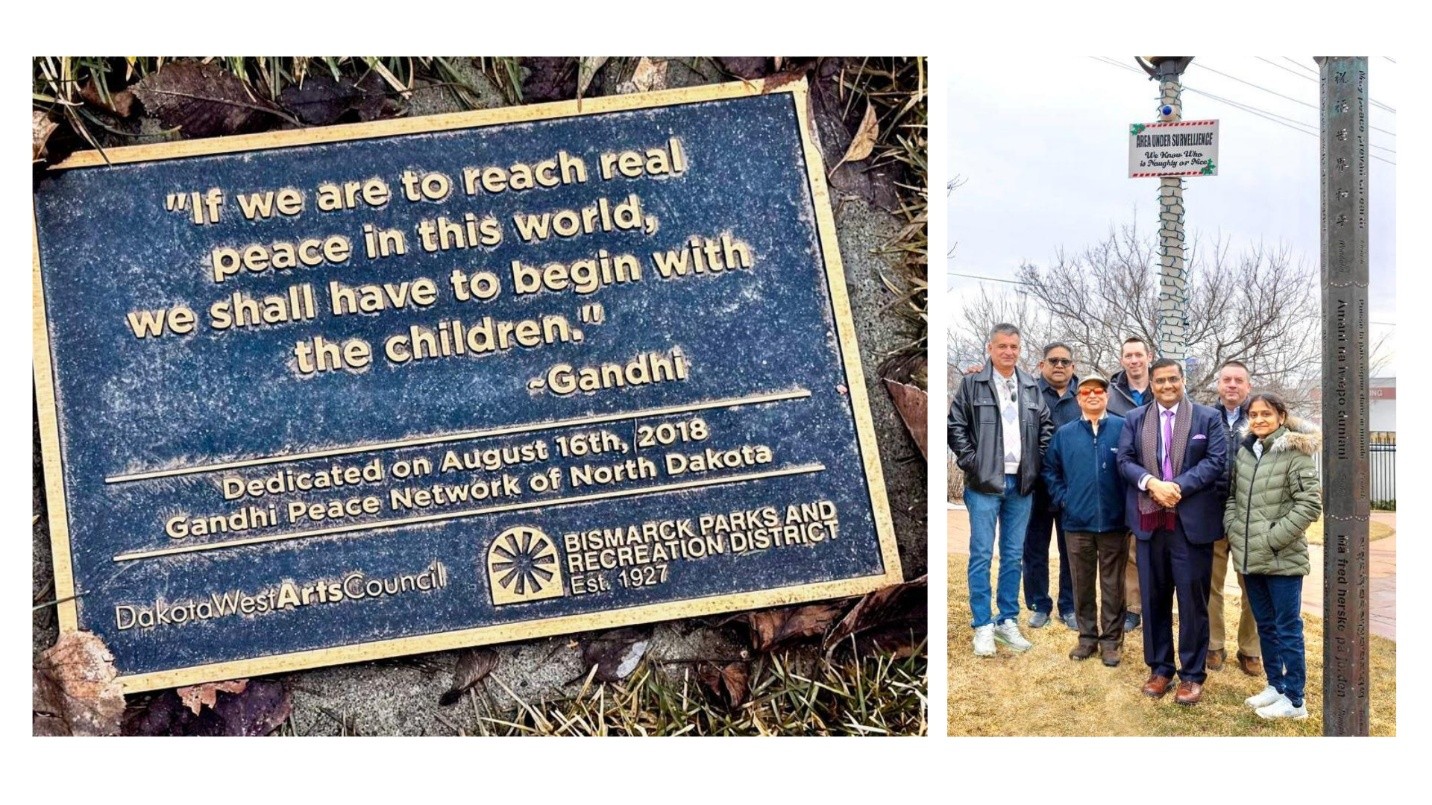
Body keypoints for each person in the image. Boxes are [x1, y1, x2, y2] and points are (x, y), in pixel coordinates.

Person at [1116, 358, 1226, 705]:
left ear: (1183, 380)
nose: (1167, 386)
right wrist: (1151, 484)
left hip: (1190, 524)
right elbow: (1125, 460)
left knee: (1193, 602)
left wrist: (1174, 487)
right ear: (1151, 384)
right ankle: (1160, 668)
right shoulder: (1135, 419)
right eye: (1160, 380)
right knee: (1153, 598)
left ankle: (1192, 675)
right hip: (1150, 524)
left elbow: (1215, 461)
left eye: (1173, 379)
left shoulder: (1207, 418)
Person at [949, 323, 1054, 657]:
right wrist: (972, 462)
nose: (1009, 352)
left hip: (1021, 484)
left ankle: (1006, 619)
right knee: (981, 554)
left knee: (1012, 556)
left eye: (1014, 347)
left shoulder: (1030, 387)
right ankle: (982, 624)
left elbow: (1046, 428)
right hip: (984, 484)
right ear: (990, 348)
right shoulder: (972, 384)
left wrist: (1035, 464)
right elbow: (955, 426)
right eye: (1003, 346)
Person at [1224, 393, 1321, 720]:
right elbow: (1233, 499)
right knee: (1266, 625)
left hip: (1282, 558)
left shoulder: (1296, 453)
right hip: (1251, 558)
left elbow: (1309, 504)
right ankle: (1275, 686)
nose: (1259, 419)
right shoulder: (1245, 453)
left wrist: (1272, 539)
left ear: (1281, 416)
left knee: (1287, 628)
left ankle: (1295, 700)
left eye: (1266, 413)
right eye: (1253, 414)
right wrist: (1235, 530)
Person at [1041, 374, 1127, 667]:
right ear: (1078, 398)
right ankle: (1087, 637)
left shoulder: (1122, 428)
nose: (1092, 395)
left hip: (1115, 522)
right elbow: (1050, 470)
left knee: (1113, 585)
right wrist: (1064, 499)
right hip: (1077, 523)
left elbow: (1134, 467)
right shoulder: (1065, 434)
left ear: (1106, 396)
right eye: (1086, 391)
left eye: (1098, 391)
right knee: (1082, 582)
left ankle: (1112, 641)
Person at [1207, 360, 1263, 676]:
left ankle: (1250, 650)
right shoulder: (1203, 418)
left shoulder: (1260, 418)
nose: (1232, 385)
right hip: (1212, 514)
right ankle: (1214, 645)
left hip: (1248, 517)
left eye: (1238, 380)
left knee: (1252, 587)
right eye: (1226, 379)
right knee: (1210, 587)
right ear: (1219, 384)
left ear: (1247, 386)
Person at [1023, 343, 1081, 631]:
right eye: (1053, 360)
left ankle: (1069, 607)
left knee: (1071, 549)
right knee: (1034, 548)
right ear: (1041, 364)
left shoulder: (1085, 395)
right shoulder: (1027, 392)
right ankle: (1038, 605)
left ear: (1073, 366)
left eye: (1065, 361)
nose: (1059, 366)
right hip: (1034, 486)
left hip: (1071, 488)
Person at [1107, 336, 1154, 635]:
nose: (1134, 361)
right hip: (1118, 476)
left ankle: (1151, 605)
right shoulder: (1111, 393)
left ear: (1149, 356)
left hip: (1154, 477)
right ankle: (1131, 607)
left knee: (1149, 546)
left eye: (1139, 355)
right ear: (1122, 359)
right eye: (1128, 356)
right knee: (1125, 548)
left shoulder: (1163, 388)